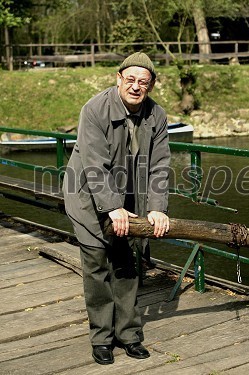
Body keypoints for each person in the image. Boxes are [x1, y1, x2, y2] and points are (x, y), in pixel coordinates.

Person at [63, 52, 170, 365]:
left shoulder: (157, 115)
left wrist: (157, 207)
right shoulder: (94, 109)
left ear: (150, 87)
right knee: (96, 264)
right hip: (86, 193)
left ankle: (129, 335)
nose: (136, 87)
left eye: (143, 83)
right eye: (131, 80)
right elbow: (95, 165)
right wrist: (112, 207)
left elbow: (160, 166)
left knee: (125, 263)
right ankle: (102, 338)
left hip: (128, 197)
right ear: (119, 78)